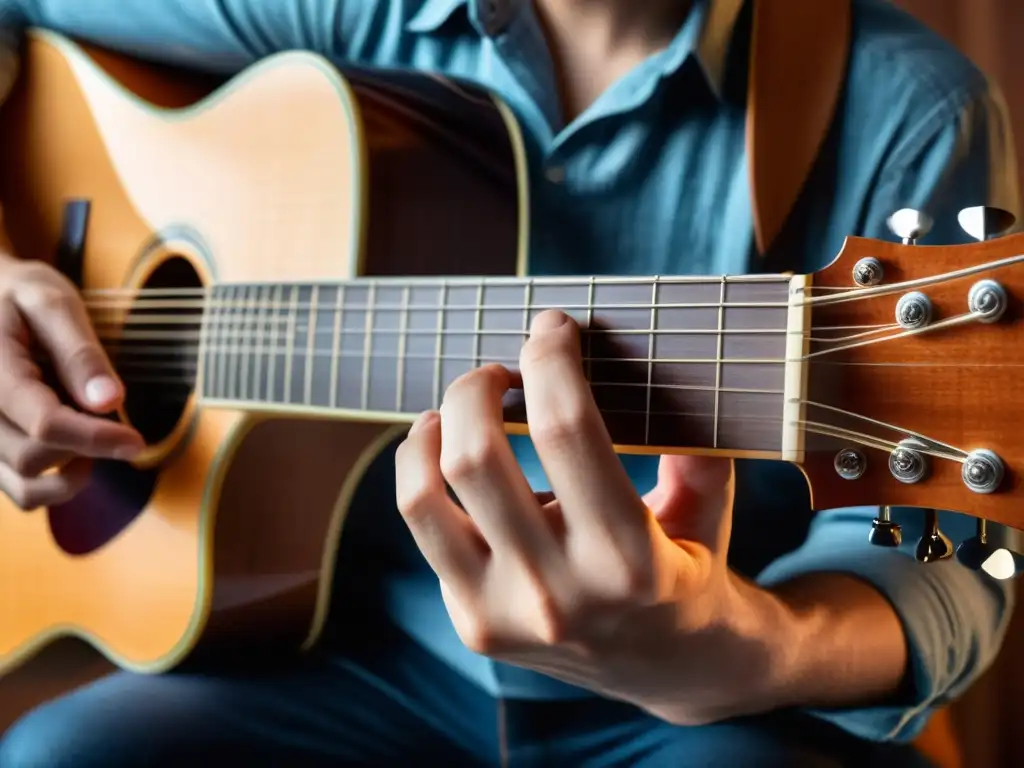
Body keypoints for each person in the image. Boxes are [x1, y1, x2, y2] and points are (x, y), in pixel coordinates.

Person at [0, 0, 1018, 765]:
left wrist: (743, 649)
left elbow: (949, 567)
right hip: (343, 648)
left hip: (686, 709)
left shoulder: (906, 109)